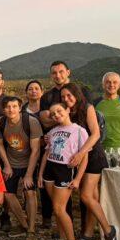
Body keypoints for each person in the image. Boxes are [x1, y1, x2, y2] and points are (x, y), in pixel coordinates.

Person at [60, 83, 119, 240]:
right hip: (79, 158)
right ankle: (88, 235)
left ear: (77, 94)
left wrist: (81, 153)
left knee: (86, 196)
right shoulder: (67, 111)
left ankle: (109, 231)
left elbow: (95, 134)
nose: (66, 99)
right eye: (63, 97)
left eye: (69, 95)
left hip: (93, 157)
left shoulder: (87, 107)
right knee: (92, 196)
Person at [37, 103, 89, 240]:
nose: (56, 115)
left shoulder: (79, 131)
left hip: (64, 170)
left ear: (67, 110)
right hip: (49, 170)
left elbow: (84, 158)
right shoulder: (53, 131)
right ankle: (63, 239)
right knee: (56, 208)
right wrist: (40, 174)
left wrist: (78, 179)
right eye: (53, 114)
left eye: (59, 111)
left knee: (60, 208)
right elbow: (46, 154)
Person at [0, 96, 42, 240]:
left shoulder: (30, 121)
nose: (11, 109)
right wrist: (7, 165)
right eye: (8, 107)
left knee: (29, 192)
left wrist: (29, 174)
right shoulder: (1, 122)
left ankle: (31, 231)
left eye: (14, 106)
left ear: (20, 107)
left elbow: (36, 150)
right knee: (8, 194)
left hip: (28, 162)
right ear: (4, 109)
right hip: (12, 163)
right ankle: (25, 226)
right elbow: (0, 145)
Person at [38, 62, 75, 230]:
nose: (58, 75)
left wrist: (55, 116)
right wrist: (60, 120)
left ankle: (72, 231)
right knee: (53, 193)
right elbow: (43, 117)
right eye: (54, 73)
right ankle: (61, 231)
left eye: (61, 72)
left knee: (67, 193)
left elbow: (81, 113)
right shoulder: (47, 96)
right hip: (54, 147)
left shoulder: (78, 91)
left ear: (68, 72)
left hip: (73, 148)